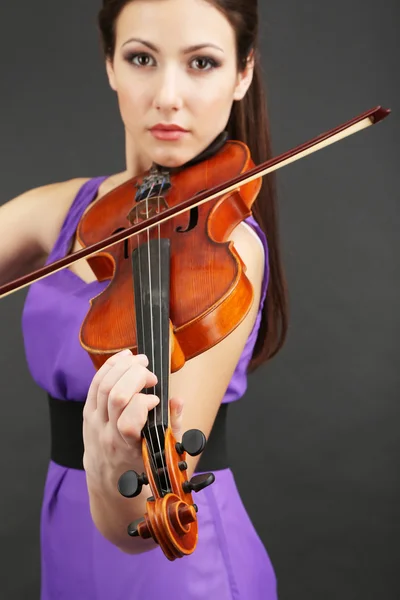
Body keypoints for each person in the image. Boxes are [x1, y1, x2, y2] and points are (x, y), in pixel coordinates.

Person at [0, 0, 288, 598]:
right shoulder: (66, 209)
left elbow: (139, 524)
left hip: (178, 565)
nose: (168, 96)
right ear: (110, 64)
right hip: (67, 550)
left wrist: (110, 473)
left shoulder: (230, 249)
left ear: (243, 72)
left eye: (202, 63)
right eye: (141, 58)